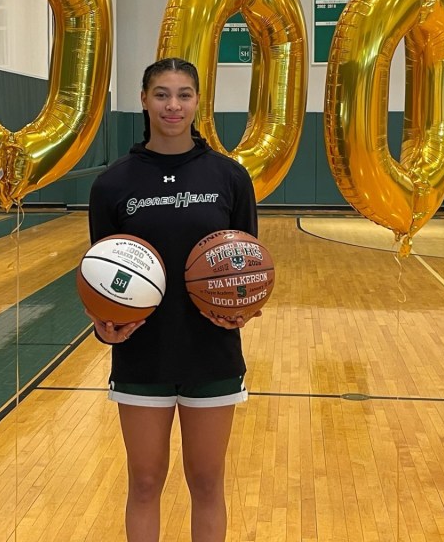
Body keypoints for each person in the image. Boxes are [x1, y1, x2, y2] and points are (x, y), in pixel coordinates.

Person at [86, 57, 260, 542]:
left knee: (206, 482)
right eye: (161, 94)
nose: (173, 105)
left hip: (212, 350)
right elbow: (99, 273)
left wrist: (243, 308)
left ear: (198, 101)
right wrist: (104, 324)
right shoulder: (113, 184)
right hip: (143, 351)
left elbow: (249, 262)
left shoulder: (229, 178)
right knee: (144, 482)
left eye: (184, 94)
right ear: (143, 99)